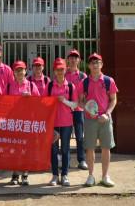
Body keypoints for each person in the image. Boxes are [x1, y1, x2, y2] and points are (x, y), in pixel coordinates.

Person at [79, 53, 119, 188]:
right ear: (89, 66)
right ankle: (90, 176)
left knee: (106, 148)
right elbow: (80, 101)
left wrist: (107, 114)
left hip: (105, 120)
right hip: (90, 120)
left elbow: (113, 100)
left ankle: (105, 176)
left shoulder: (108, 81)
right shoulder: (84, 82)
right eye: (92, 63)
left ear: (101, 65)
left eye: (97, 62)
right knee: (90, 148)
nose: (95, 65)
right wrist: (87, 109)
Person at [6, 60, 40, 186]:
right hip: (14, 122)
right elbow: (3, 102)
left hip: (27, 122)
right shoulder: (9, 86)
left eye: (22, 70)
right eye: (17, 70)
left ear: (26, 71)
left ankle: (25, 175)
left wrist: (30, 98)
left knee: (26, 149)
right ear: (13, 73)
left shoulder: (31, 86)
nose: (19, 72)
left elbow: (39, 102)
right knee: (14, 149)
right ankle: (15, 175)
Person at [44, 57, 77, 186]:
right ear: (54, 71)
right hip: (53, 123)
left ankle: (64, 175)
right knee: (53, 150)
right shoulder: (49, 85)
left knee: (65, 149)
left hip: (66, 123)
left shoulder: (70, 86)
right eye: (57, 69)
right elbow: (43, 103)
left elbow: (75, 104)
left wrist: (64, 101)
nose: (59, 72)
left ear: (65, 70)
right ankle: (54, 175)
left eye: (62, 69)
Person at [65, 49, 88, 170]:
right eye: (71, 57)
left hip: (79, 110)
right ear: (68, 60)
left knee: (79, 136)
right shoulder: (63, 74)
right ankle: (66, 160)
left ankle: (81, 159)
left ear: (79, 60)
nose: (73, 60)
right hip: (66, 110)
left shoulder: (83, 76)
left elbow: (87, 93)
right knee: (66, 137)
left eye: (75, 57)